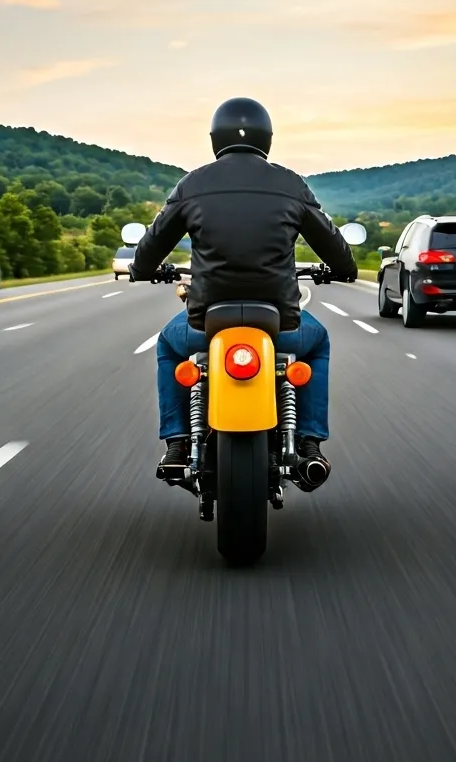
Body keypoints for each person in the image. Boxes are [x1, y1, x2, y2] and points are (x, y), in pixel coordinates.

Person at [128, 97, 358, 485]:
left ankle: (178, 442)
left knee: (169, 343)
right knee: (316, 341)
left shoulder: (193, 183)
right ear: (266, 138)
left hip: (205, 322)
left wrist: (144, 270)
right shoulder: (290, 183)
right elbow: (337, 251)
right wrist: (341, 270)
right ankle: (308, 444)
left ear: (215, 138)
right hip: (281, 321)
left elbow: (149, 250)